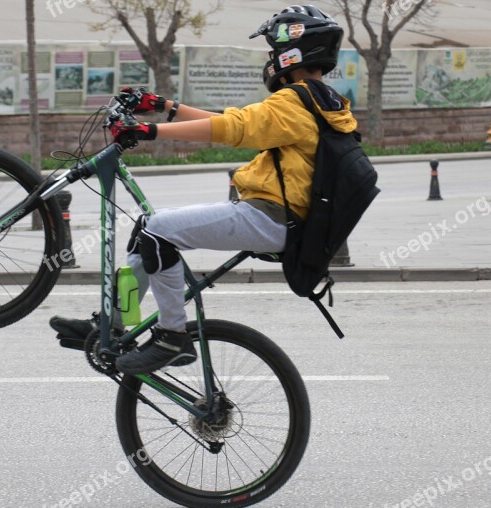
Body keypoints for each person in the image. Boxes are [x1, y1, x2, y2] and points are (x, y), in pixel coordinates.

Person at [51, 5, 357, 375]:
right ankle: (114, 320)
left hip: (271, 218)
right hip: (278, 219)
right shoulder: (321, 101)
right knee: (148, 229)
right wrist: (166, 108)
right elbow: (233, 123)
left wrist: (150, 131)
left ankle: (171, 336)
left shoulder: (296, 102)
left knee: (157, 229)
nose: (271, 59)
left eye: (273, 51)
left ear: (292, 51)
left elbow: (233, 129)